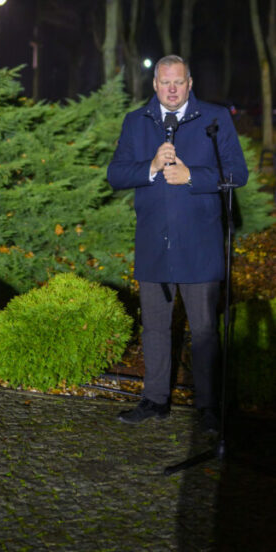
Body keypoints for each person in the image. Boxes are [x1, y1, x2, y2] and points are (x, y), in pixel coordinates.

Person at [107, 55, 248, 434]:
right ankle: (155, 399)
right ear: (154, 84)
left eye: (178, 82)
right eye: (164, 82)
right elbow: (115, 174)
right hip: (153, 242)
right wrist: (151, 166)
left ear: (190, 84)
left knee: (203, 330)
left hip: (200, 244)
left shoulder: (215, 119)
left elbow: (238, 173)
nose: (171, 89)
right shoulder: (137, 122)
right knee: (154, 327)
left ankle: (207, 407)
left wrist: (193, 176)